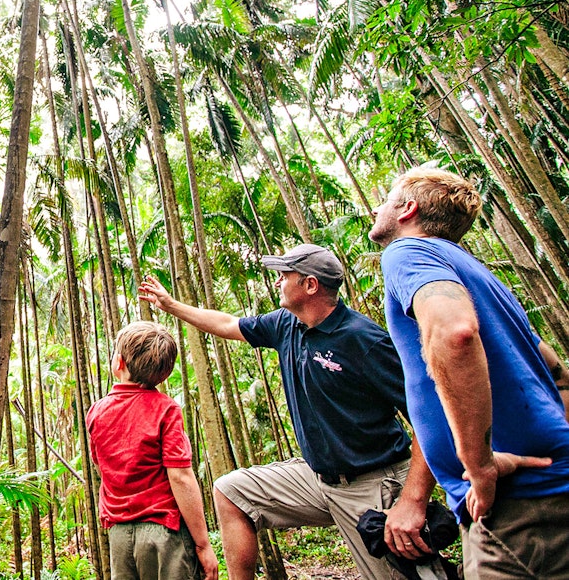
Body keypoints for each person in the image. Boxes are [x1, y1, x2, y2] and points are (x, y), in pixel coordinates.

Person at [138, 245, 434, 580]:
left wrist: (413, 500)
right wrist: (171, 305)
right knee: (232, 491)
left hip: (373, 483)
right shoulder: (286, 325)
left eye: (285, 275)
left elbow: (431, 420)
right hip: (317, 478)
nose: (278, 281)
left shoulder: (363, 339)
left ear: (310, 285)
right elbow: (228, 323)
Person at [370, 167, 569, 577]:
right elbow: (557, 370)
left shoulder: (406, 252)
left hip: (516, 508)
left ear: (407, 208)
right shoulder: (478, 273)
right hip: (551, 487)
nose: (377, 208)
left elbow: (454, 332)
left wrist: (478, 465)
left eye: (387, 199)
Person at [87, 321, 220, 580]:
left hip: (119, 535)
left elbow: (101, 465)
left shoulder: (97, 411)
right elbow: (180, 477)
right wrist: (203, 544)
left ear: (119, 363)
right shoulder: (166, 409)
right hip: (164, 533)